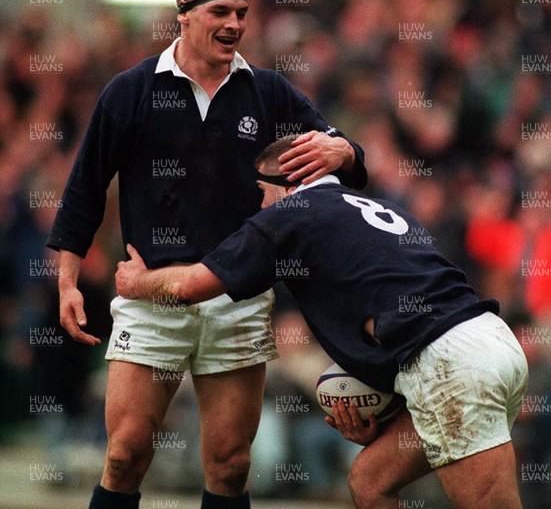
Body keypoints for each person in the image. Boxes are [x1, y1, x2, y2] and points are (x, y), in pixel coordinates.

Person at [46, 0, 367, 509]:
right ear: (184, 15)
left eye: (242, 12)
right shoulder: (131, 91)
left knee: (230, 463)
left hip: (235, 296)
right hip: (149, 297)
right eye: (221, 10)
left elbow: (339, 150)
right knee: (125, 454)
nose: (235, 24)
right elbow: (84, 188)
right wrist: (67, 281)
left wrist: (346, 149)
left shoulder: (267, 93)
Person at [115, 135, 529, 509]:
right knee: (370, 483)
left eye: (262, 192)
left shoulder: (291, 213)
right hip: (489, 341)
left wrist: (137, 282)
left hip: (448, 364)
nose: (259, 207)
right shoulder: (379, 206)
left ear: (288, 182)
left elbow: (189, 286)